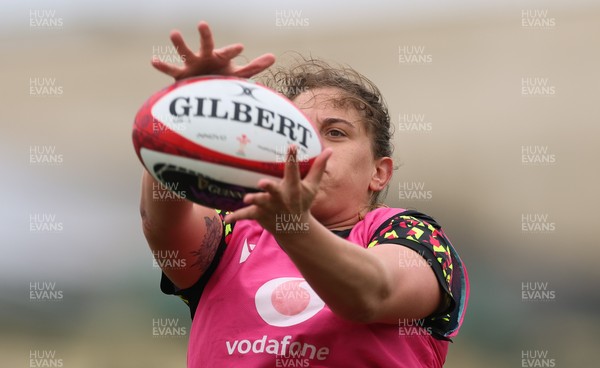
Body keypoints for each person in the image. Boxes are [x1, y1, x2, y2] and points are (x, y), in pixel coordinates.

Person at [140, 21, 469, 367]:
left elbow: (372, 294)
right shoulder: (233, 231)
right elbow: (161, 222)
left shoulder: (409, 234)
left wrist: (293, 227)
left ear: (379, 171)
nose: (308, 146)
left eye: (336, 132)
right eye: (296, 132)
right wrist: (188, 109)